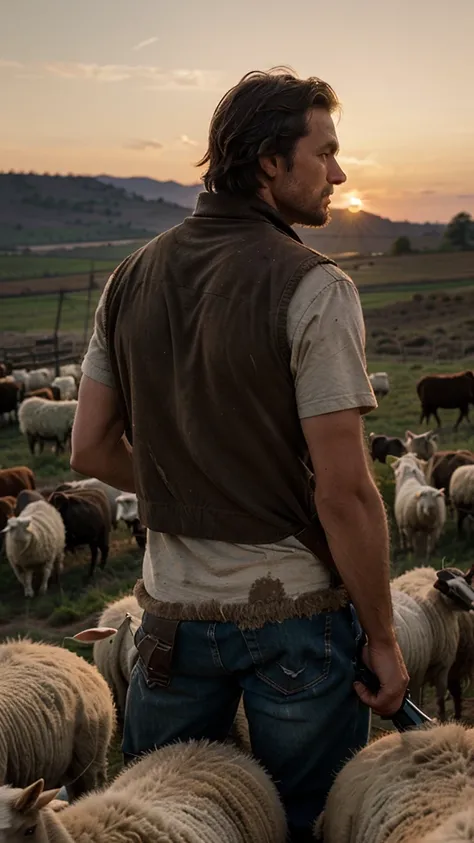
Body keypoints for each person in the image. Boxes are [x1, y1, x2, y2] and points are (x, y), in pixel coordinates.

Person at [71, 67, 409, 842]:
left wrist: (190, 491)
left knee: (161, 822)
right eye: (324, 153)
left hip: (167, 621)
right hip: (293, 616)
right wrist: (384, 639)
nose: (339, 173)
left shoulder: (129, 278)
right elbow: (346, 494)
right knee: (303, 820)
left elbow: (90, 444)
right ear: (268, 162)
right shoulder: (315, 286)